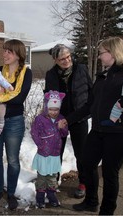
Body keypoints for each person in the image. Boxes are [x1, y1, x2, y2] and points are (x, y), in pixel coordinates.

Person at [72, 36, 123, 215]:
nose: (98, 57)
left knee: (109, 172)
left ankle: (107, 211)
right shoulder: (103, 75)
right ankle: (91, 201)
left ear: (112, 53)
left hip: (121, 132)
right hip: (98, 130)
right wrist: (69, 118)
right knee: (87, 163)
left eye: (101, 53)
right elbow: (90, 105)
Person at [0, 39, 32, 210]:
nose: (4, 54)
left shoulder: (26, 72)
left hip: (14, 122)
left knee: (12, 160)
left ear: (18, 54)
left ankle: (10, 193)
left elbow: (19, 98)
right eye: (4, 51)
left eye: (9, 52)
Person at [44, 44, 93, 198]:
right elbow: (48, 96)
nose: (66, 61)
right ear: (55, 60)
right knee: (55, 152)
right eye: (62, 59)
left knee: (82, 153)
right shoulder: (51, 74)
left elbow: (91, 92)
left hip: (79, 118)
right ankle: (52, 182)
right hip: (59, 120)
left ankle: (83, 183)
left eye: (68, 57)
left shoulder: (81, 69)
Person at [31, 90, 68, 209]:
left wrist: (62, 128)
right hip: (43, 154)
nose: (54, 112)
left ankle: (51, 196)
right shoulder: (40, 119)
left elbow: (64, 134)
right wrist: (40, 145)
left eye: (56, 109)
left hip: (55, 154)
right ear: (46, 107)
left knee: (52, 178)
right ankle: (40, 198)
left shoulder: (61, 118)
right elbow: (34, 133)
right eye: (51, 109)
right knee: (41, 178)